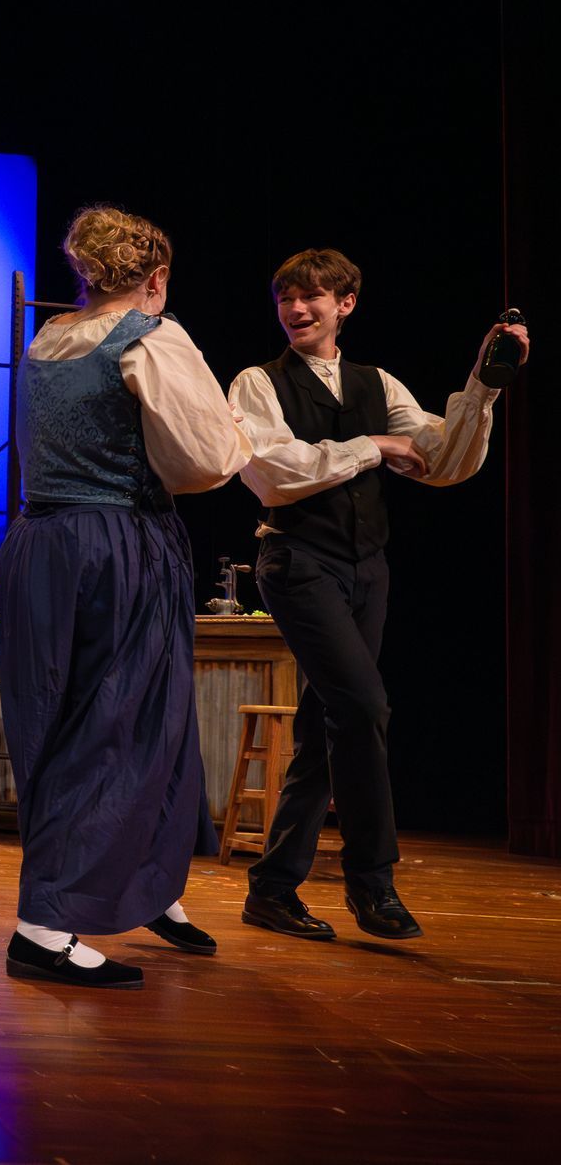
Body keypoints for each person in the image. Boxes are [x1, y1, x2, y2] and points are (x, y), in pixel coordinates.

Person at [229, 248, 526, 942]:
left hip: (367, 569)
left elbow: (442, 460)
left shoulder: (375, 381)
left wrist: (482, 388)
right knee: (363, 706)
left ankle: (272, 887)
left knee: (330, 727)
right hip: (297, 560)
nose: (297, 310)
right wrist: (373, 446)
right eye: (287, 299)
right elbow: (273, 472)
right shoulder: (257, 382)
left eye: (312, 298)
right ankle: (372, 881)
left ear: (346, 305)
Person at [0, 205, 250, 989]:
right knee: (117, 728)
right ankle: (44, 927)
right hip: (119, 545)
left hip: (41, 545)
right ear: (155, 279)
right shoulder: (150, 335)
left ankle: (143, 885)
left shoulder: (44, 342)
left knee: (73, 724)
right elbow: (209, 459)